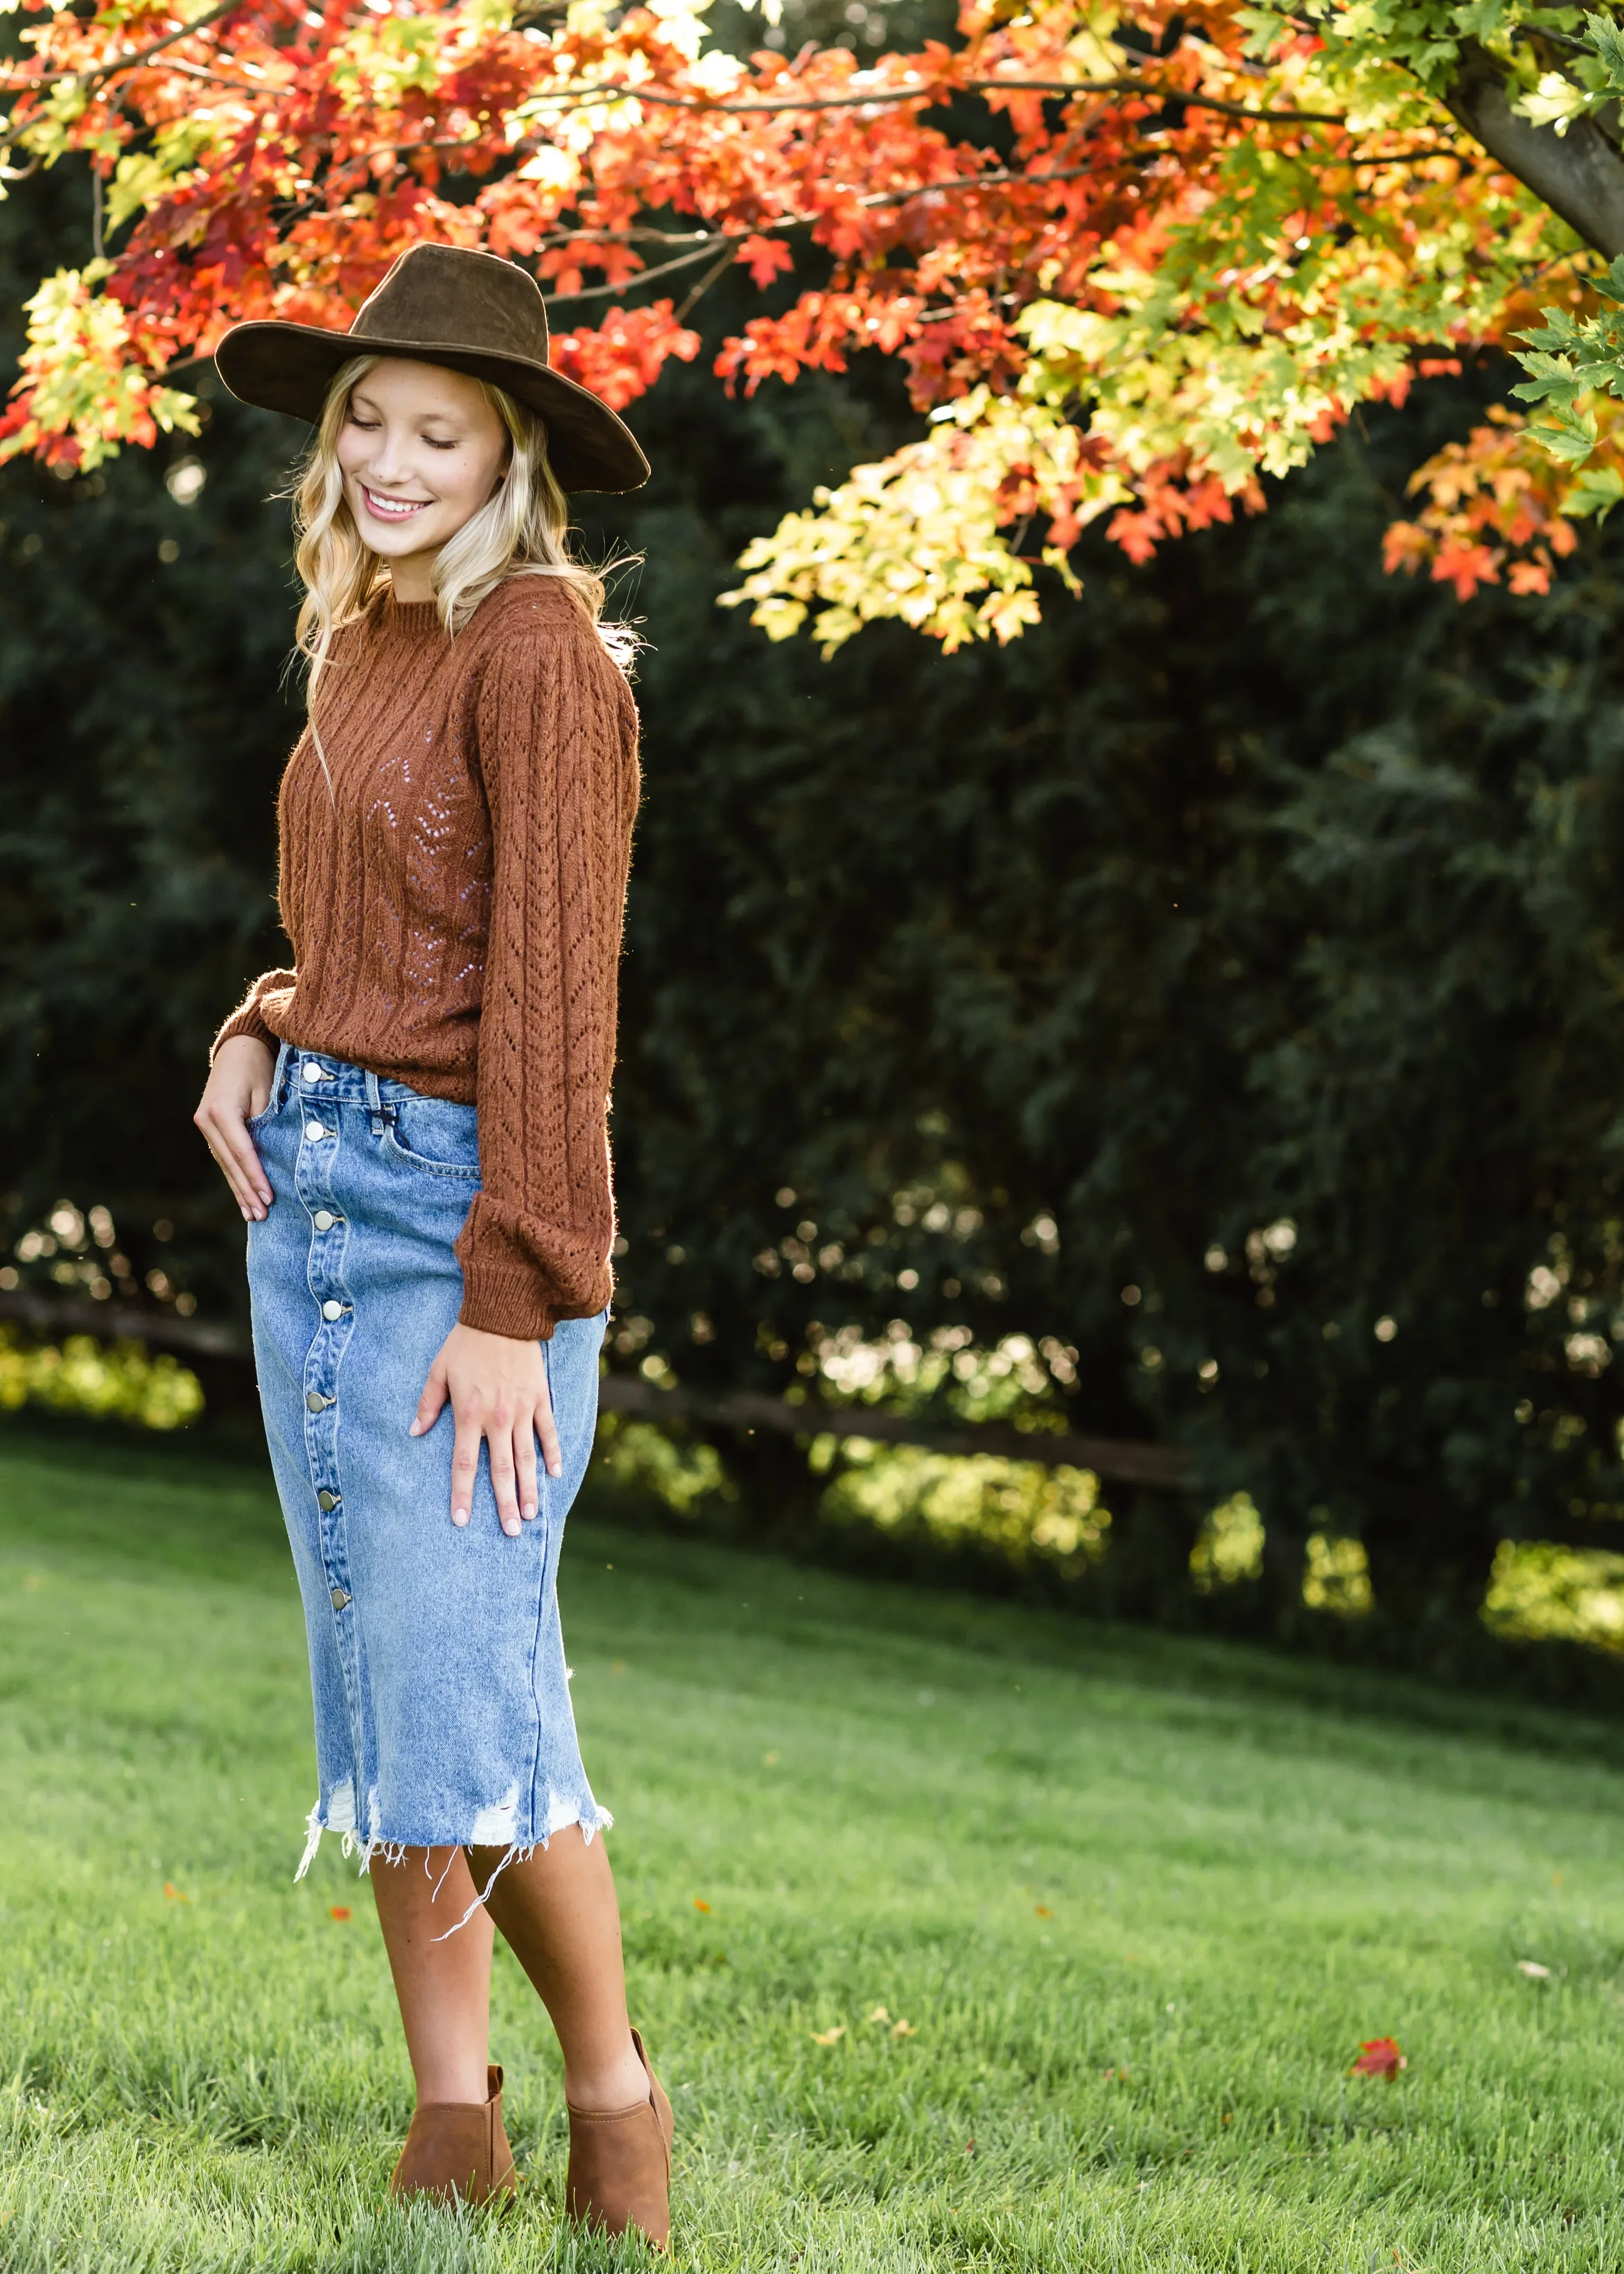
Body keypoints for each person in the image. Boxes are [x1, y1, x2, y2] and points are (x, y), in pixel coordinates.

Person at [192, 241, 671, 2249]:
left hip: (467, 1219)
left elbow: (557, 1000)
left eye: (437, 434)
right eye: (368, 426)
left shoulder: (543, 650)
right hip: (310, 1183)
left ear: (510, 457)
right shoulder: (365, 631)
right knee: (384, 1684)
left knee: (469, 1694)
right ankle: (446, 2125)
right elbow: (373, 941)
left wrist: (512, 1295)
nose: (392, 461)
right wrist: (253, 1020)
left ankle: (613, 2107)